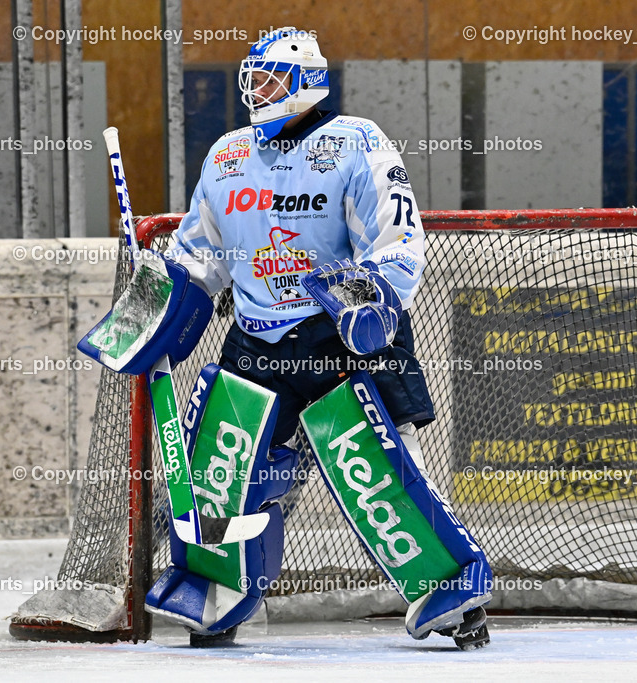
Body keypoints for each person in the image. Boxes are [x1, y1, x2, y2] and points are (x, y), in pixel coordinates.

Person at [148, 26, 492, 649]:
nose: (257, 91)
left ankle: (452, 589)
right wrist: (165, 306)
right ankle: (220, 587)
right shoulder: (227, 155)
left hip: (337, 336)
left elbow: (396, 237)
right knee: (223, 471)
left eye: (272, 79)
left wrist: (374, 299)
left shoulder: (356, 141)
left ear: (309, 82)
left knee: (377, 469)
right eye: (252, 79)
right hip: (255, 339)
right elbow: (201, 253)